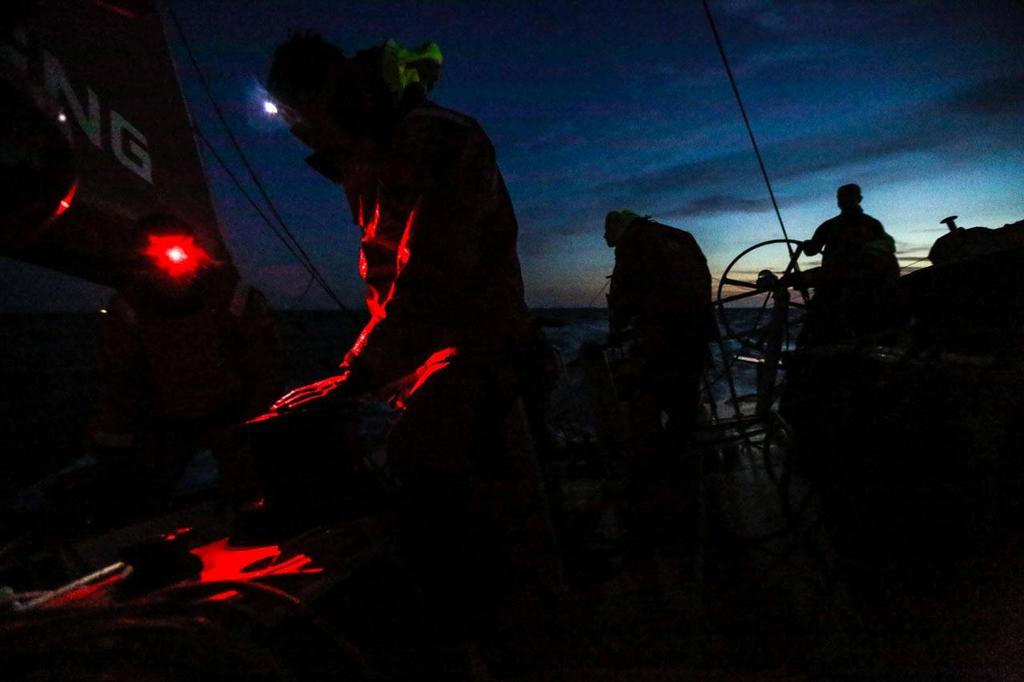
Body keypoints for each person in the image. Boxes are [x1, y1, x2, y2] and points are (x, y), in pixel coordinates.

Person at [264, 33, 559, 677]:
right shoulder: (366, 155)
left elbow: (431, 272)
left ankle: (509, 645)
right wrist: (370, 368)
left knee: (444, 486)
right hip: (426, 359)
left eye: (296, 117)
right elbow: (391, 279)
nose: (298, 134)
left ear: (327, 97)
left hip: (478, 352)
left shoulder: (437, 139)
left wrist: (358, 372)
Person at [90, 212, 283, 518]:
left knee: (254, 482)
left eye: (178, 252)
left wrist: (258, 426)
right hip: (167, 417)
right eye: (155, 257)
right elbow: (121, 381)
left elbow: (266, 368)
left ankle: (252, 511)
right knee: (143, 492)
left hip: (232, 411)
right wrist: (110, 444)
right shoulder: (128, 308)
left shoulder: (234, 296)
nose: (170, 266)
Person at [604, 210, 713, 566]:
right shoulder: (681, 235)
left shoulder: (633, 243)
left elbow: (623, 294)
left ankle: (655, 484)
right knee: (684, 401)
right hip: (696, 334)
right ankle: (687, 466)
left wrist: (618, 327)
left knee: (645, 402)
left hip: (659, 338)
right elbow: (702, 279)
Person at [800, 183, 899, 343]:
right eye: (840, 197)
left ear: (858, 199)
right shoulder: (870, 224)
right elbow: (812, 250)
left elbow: (811, 250)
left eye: (846, 196)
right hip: (846, 285)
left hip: (852, 286)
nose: (843, 200)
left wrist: (807, 246)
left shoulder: (835, 225)